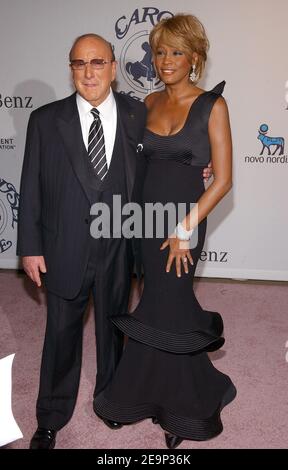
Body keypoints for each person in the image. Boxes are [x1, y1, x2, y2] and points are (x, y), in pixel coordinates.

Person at [17, 32, 212, 450]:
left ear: (114, 68)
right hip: (64, 246)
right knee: (60, 335)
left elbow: (167, 155)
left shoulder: (136, 113)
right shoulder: (46, 120)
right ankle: (51, 416)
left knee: (114, 332)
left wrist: (200, 166)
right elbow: (30, 184)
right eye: (79, 64)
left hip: (121, 245)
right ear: (71, 69)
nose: (89, 72)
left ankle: (111, 403)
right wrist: (30, 246)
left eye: (98, 62)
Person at [94, 14, 236, 449]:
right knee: (155, 303)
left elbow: (224, 179)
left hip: (184, 225)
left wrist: (184, 229)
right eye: (159, 51)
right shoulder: (147, 104)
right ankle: (143, 392)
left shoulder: (213, 105)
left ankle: (184, 406)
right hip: (143, 221)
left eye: (176, 52)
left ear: (194, 57)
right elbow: (131, 163)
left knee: (170, 304)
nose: (166, 60)